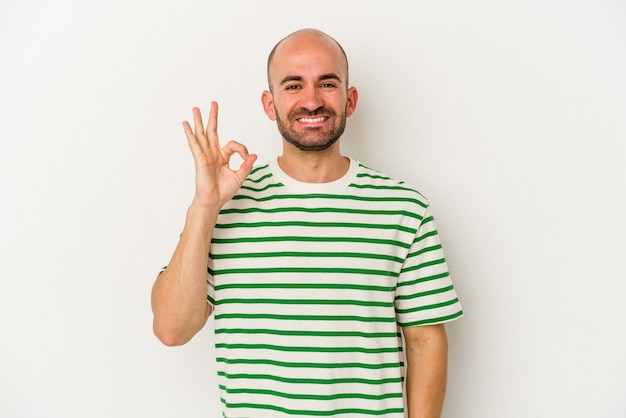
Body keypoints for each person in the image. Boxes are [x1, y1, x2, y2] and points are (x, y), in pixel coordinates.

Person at [151, 28, 463, 418]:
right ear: (270, 104)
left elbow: (426, 342)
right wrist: (203, 206)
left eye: (327, 83)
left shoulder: (404, 209)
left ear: (350, 101)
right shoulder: (223, 207)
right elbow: (171, 329)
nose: (311, 100)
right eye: (294, 85)